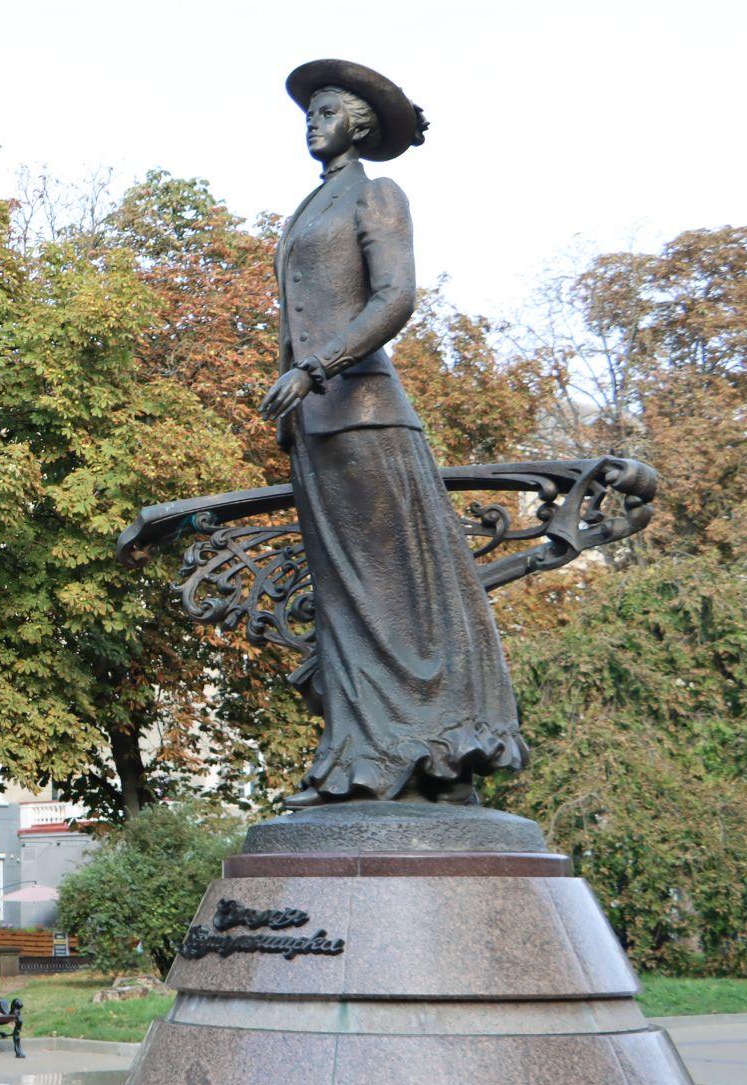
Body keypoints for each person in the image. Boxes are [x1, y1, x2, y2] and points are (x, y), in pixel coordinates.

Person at [258, 59, 526, 807]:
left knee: (393, 595)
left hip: (366, 413)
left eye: (328, 109)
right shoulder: (309, 207)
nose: (312, 121)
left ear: (363, 124)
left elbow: (395, 295)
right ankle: (357, 761)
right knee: (345, 598)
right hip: (315, 428)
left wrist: (317, 367)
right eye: (307, 112)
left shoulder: (377, 193)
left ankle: (431, 753)